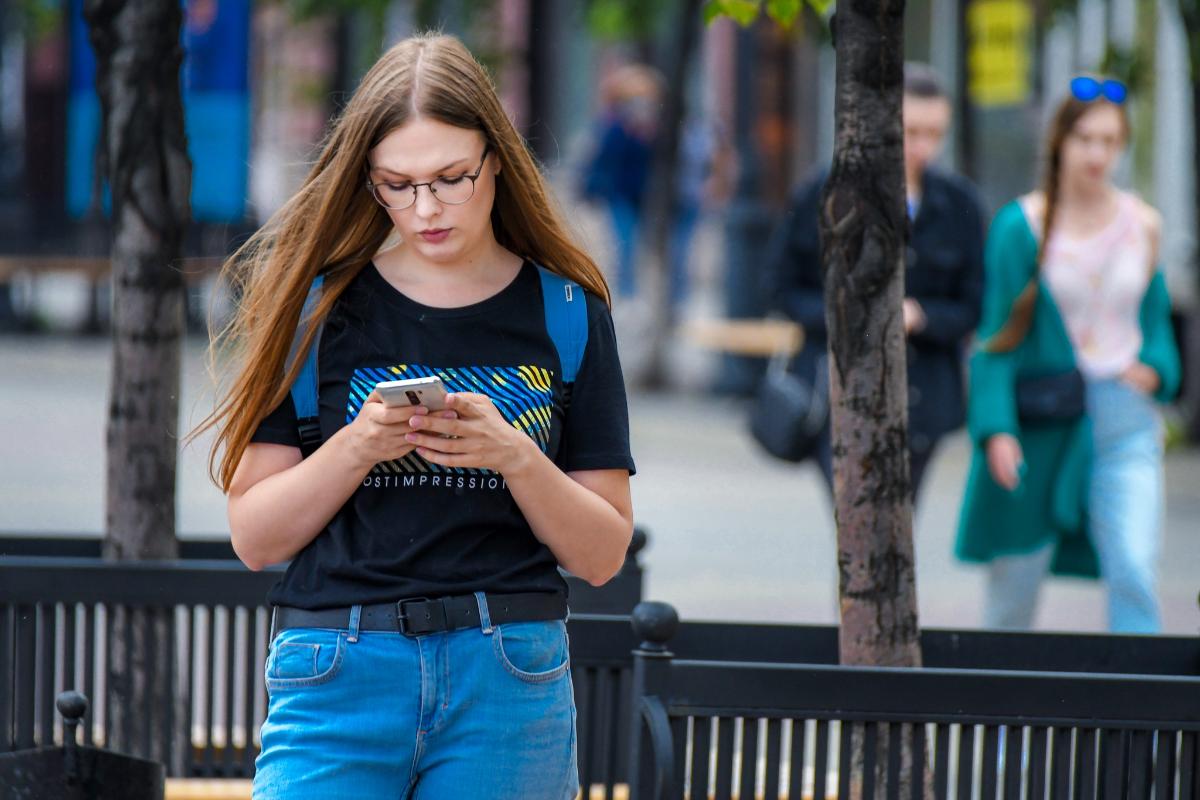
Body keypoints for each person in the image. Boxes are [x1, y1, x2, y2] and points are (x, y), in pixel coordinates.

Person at [194, 33, 636, 799]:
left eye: (450, 178)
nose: (425, 208)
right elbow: (255, 537)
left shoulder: (566, 310)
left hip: (507, 672)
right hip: (337, 665)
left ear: (496, 158)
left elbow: (602, 553)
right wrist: (358, 444)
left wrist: (514, 455)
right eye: (396, 185)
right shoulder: (316, 310)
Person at [956, 76, 1181, 633]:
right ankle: (1003, 718)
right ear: (1059, 141)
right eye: (1085, 139)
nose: (1098, 154)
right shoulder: (1021, 227)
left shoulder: (1142, 224)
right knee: (1015, 585)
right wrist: (996, 428)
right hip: (1043, 419)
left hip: (1124, 417)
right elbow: (995, 338)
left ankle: (1138, 718)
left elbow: (1154, 321)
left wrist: (1155, 369)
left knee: (1133, 567)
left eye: (1110, 141)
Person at [764, 62, 985, 501]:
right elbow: (780, 286)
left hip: (922, 396)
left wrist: (921, 316)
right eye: (912, 131)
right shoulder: (823, 193)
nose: (924, 147)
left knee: (899, 524)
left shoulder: (959, 203)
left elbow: (976, 303)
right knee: (856, 517)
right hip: (835, 389)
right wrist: (852, 316)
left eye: (936, 134)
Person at [580, 64, 662, 299]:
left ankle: (631, 288)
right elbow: (606, 157)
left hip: (639, 194)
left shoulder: (648, 128)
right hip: (619, 194)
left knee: (633, 242)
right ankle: (627, 290)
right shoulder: (616, 127)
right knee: (625, 240)